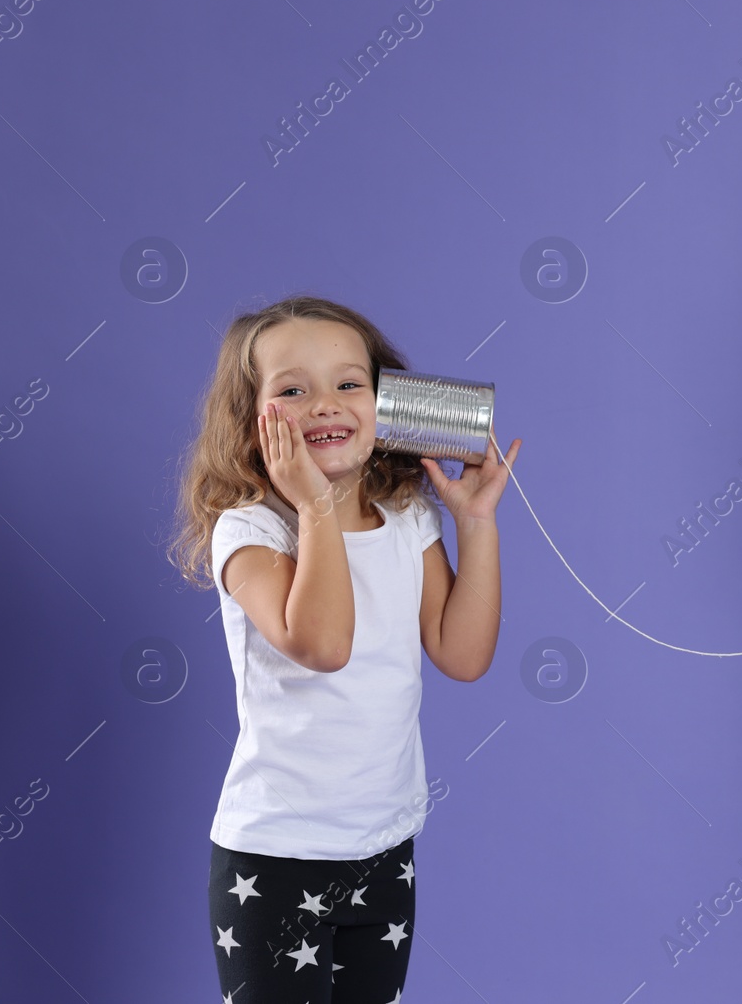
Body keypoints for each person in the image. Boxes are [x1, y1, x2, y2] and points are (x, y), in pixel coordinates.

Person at [166, 295, 521, 1002]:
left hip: (382, 852)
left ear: (387, 401)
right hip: (274, 861)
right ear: (252, 418)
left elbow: (462, 652)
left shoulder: (406, 514)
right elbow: (324, 643)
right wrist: (316, 503)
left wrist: (475, 523)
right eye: (292, 389)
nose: (324, 403)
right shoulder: (250, 532)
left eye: (348, 383)